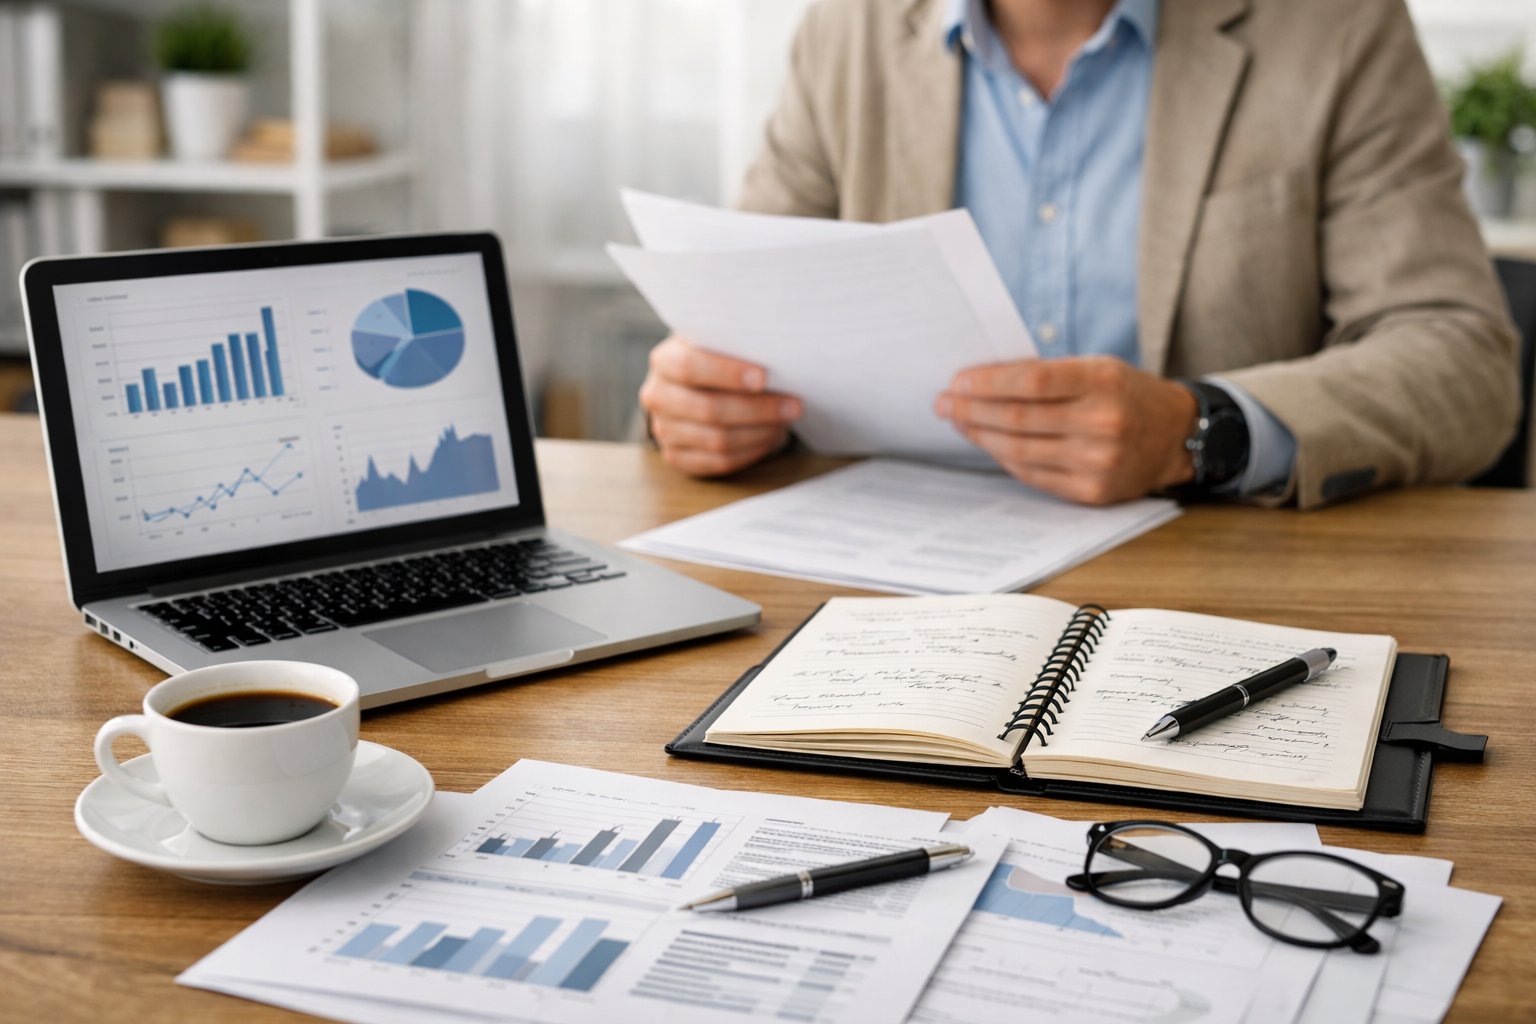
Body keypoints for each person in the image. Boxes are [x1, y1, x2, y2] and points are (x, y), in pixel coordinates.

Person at [637, 0, 1522, 509]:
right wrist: (700, 397)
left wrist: (1198, 429)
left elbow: (1461, 359)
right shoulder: (852, 30)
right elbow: (743, 310)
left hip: (1212, 593)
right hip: (887, 593)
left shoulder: (1334, 27)